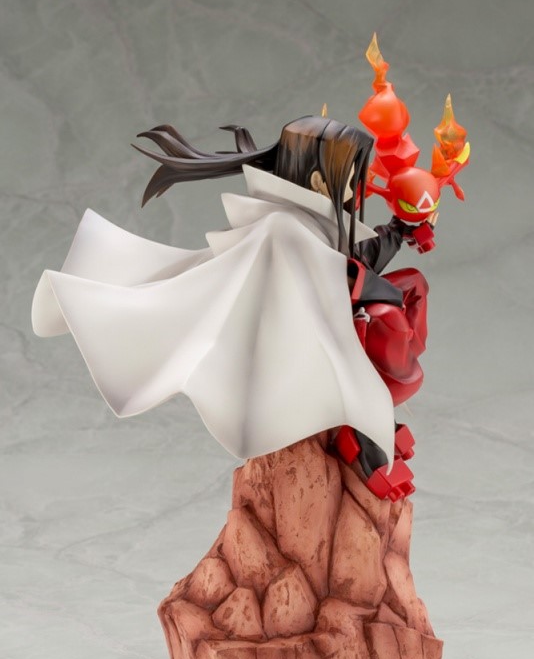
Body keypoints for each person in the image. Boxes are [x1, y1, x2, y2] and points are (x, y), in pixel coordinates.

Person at [32, 115, 428, 499]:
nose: (356, 190)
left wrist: (399, 230)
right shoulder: (285, 228)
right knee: (375, 343)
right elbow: (348, 274)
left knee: (389, 319)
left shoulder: (302, 222)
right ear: (318, 181)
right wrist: (386, 295)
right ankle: (370, 453)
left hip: (304, 343)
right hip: (282, 359)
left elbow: (353, 261)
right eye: (351, 177)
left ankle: (367, 440)